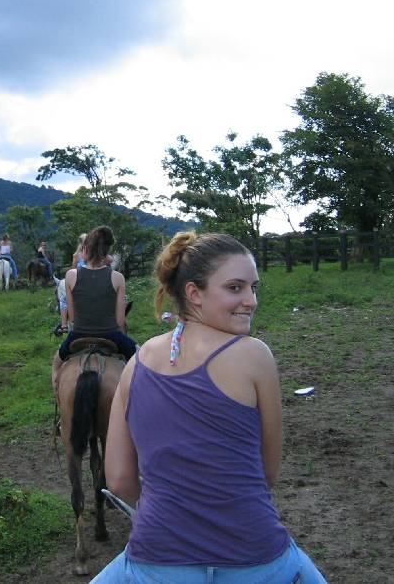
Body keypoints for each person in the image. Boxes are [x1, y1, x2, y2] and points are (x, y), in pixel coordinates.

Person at [92, 232, 327, 583]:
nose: (251, 300)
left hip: (155, 559)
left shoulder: (136, 364)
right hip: (255, 558)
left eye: (253, 288)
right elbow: (268, 474)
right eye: (235, 288)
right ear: (194, 293)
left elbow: (121, 480)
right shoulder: (254, 355)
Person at [51, 225, 137, 397]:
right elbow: (120, 322)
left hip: (78, 335)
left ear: (85, 250)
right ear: (107, 252)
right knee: (142, 360)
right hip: (112, 335)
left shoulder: (70, 276)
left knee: (56, 365)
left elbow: (72, 317)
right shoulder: (118, 278)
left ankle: (59, 405)